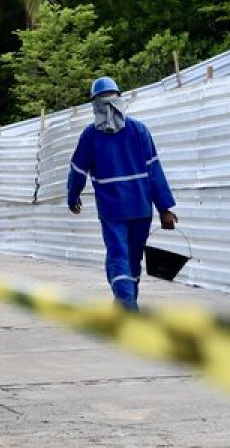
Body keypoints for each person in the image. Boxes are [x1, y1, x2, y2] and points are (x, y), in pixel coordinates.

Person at [68, 76, 178, 312]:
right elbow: (155, 171)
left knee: (119, 256)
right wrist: (164, 209)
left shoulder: (91, 136)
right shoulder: (139, 130)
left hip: (113, 211)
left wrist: (73, 195)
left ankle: (126, 304)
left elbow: (77, 169)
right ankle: (128, 304)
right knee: (132, 257)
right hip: (140, 208)